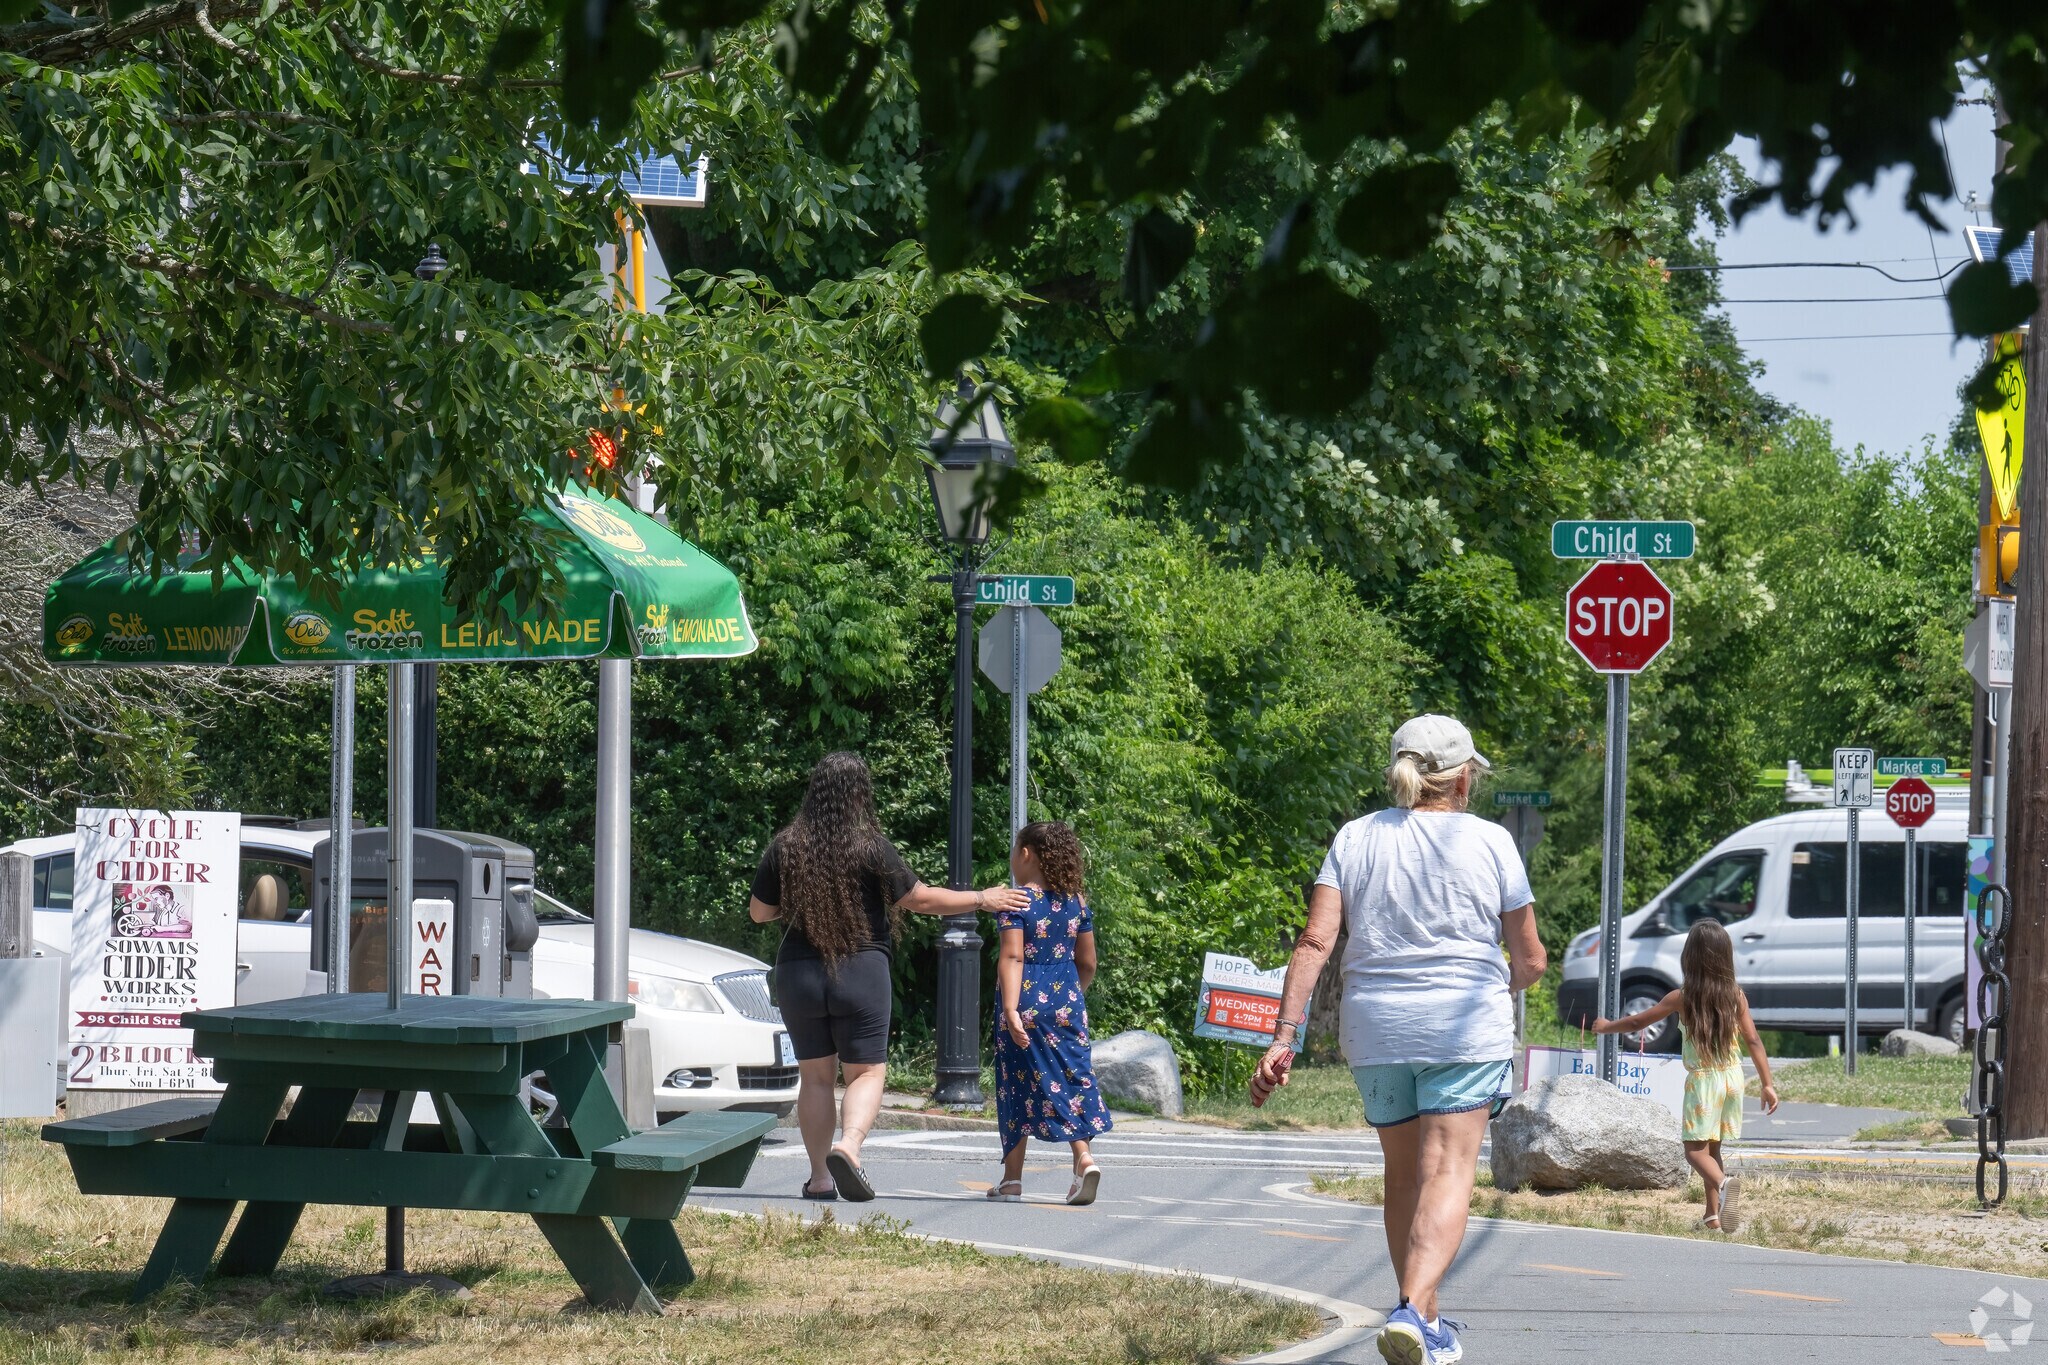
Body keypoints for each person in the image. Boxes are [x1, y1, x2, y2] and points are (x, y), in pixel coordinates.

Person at [1249, 714, 1545, 1365]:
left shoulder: (1355, 837)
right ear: (1464, 776)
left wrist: (1283, 1036)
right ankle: (1413, 1306)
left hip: (1376, 1030)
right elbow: (1530, 958)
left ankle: (1426, 1318)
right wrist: (1512, 977)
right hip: (1464, 1027)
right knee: (1448, 1171)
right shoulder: (1493, 842)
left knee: (1404, 1173)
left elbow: (1316, 940)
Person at [749, 752, 1027, 1202]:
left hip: (798, 973)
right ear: (860, 795)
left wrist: (803, 902)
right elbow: (920, 899)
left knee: (816, 1078)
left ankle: (820, 1178)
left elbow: (760, 913)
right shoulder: (871, 846)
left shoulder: (786, 846)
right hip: (860, 971)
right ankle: (850, 1146)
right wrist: (982, 897)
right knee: (866, 1072)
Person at [1593, 918, 1780, 1232]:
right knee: (1713, 1149)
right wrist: (1768, 1084)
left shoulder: (1682, 997)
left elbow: (1639, 1023)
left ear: (1689, 957)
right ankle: (1713, 1217)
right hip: (1733, 1079)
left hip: (1704, 1081)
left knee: (1694, 1152)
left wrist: (1607, 1026)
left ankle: (1723, 1184)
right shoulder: (1736, 995)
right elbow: (1753, 1040)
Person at [987, 820, 1111, 1205]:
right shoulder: (1076, 902)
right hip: (1066, 1001)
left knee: (1016, 1084)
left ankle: (1012, 1181)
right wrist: (1068, 998)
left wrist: (1011, 1007)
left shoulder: (1017, 900)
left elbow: (1012, 955)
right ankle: (1083, 1158)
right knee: (1069, 1078)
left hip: (1022, 999)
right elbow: (1087, 962)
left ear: (1026, 854)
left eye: (1014, 852)